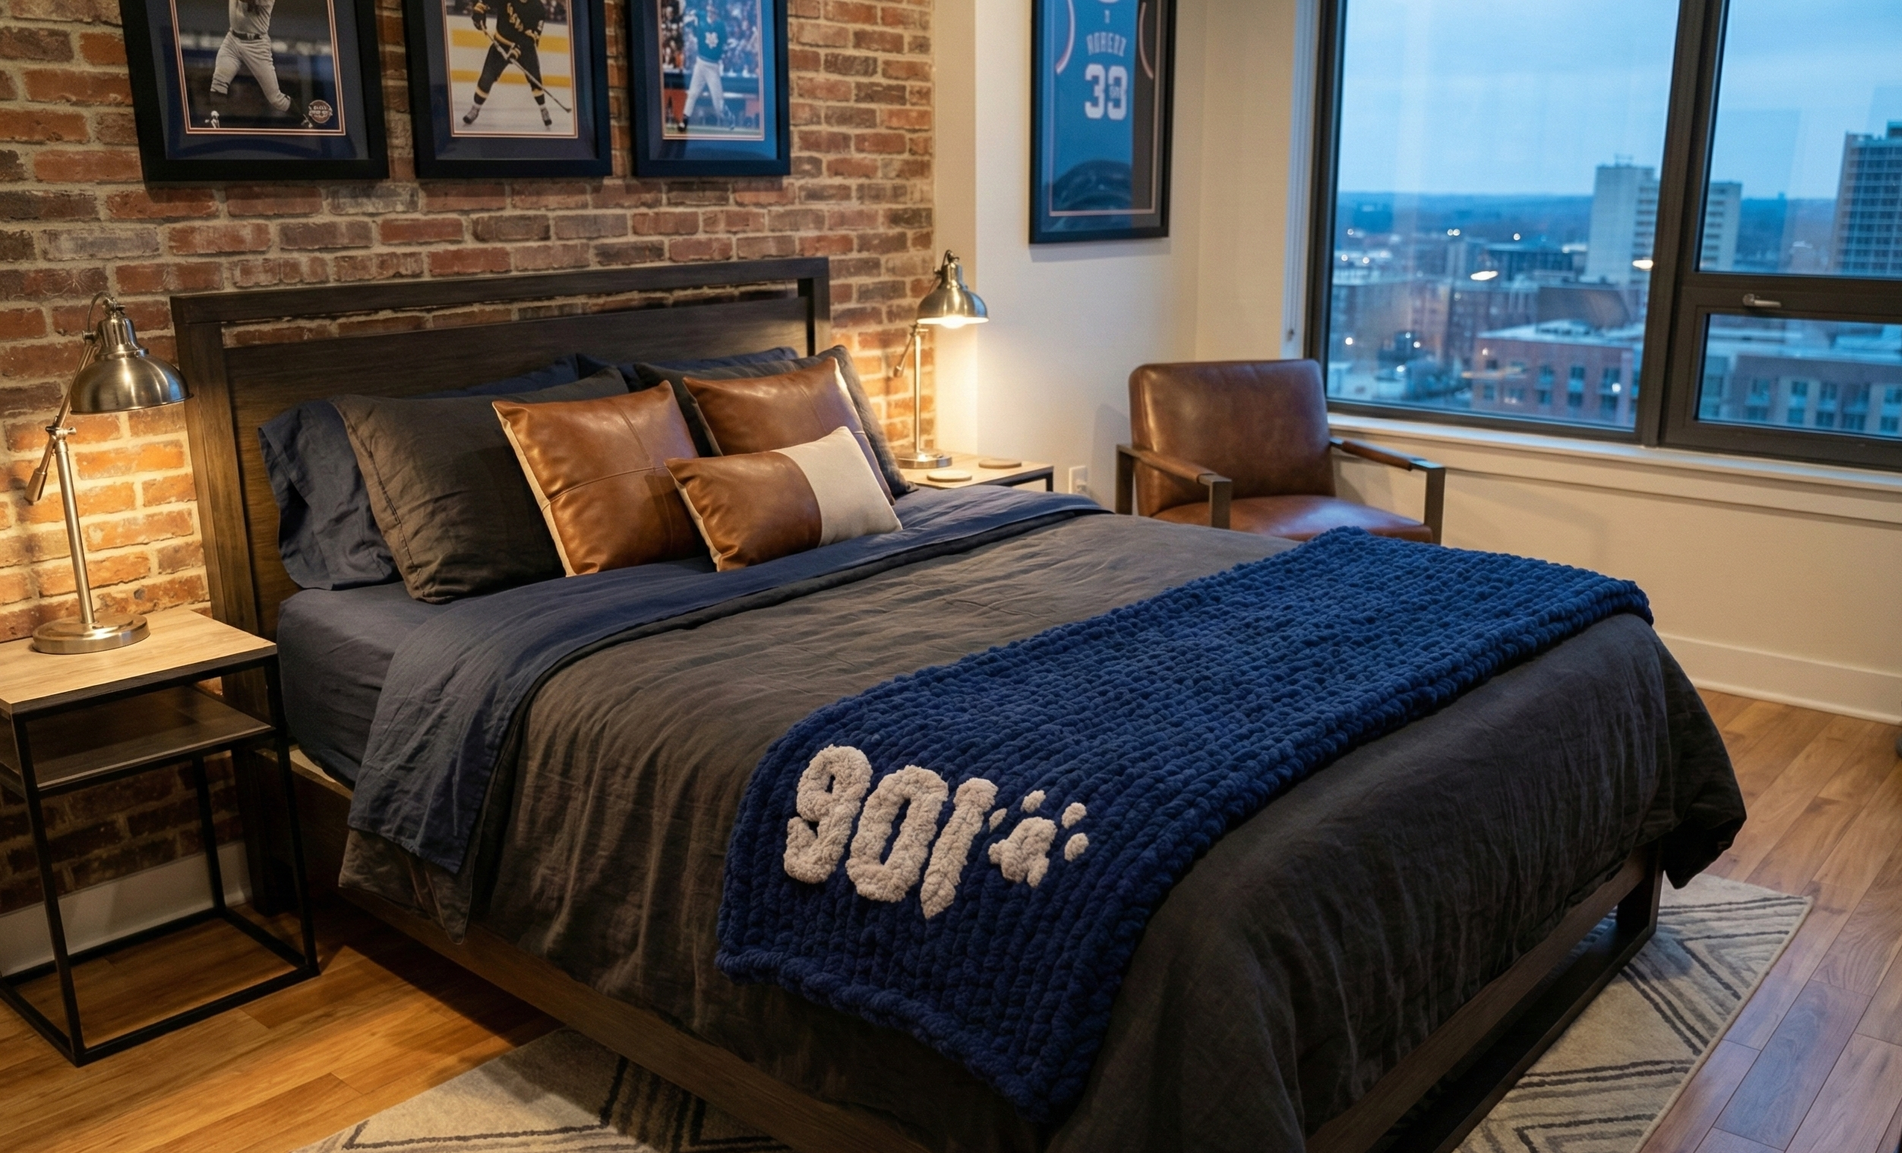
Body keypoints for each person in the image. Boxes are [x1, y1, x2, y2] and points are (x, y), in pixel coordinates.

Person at [207, 0, 306, 127]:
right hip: (232, 40)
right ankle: (214, 121)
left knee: (276, 99)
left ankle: (304, 121)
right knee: (218, 83)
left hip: (256, 45)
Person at [462, 0, 553, 129]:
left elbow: (532, 37)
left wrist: (516, 52)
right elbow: (483, 3)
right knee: (486, 78)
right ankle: (475, 108)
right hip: (501, 44)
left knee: (535, 80)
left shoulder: (537, 8)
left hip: (525, 49)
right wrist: (479, 14)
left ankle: (543, 108)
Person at [679, 0, 729, 129]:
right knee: (692, 93)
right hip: (701, 63)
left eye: (713, 10)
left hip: (713, 65)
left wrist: (722, 55)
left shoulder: (720, 25)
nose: (711, 12)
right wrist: (690, 19)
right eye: (710, 9)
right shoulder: (700, 16)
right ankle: (684, 121)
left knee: (717, 100)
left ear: (717, 12)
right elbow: (687, 19)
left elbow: (724, 44)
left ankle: (726, 119)